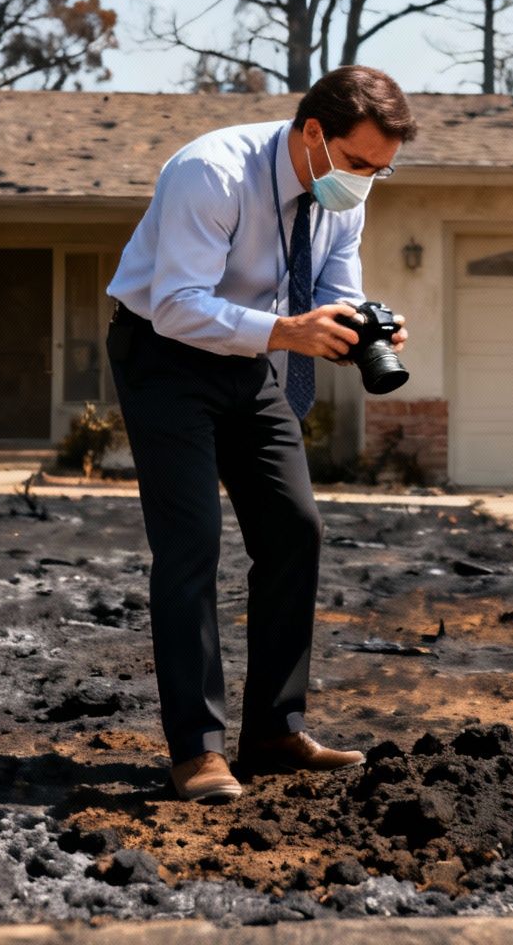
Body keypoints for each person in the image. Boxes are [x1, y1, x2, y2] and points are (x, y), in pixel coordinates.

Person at [106, 65, 414, 803]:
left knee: (294, 529)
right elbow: (177, 304)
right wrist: (284, 330)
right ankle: (197, 750)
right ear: (314, 134)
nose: (368, 181)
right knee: (192, 543)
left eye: (383, 169)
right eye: (360, 162)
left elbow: (335, 287)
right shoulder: (211, 173)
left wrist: (362, 321)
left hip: (252, 357)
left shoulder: (342, 199)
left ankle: (275, 732)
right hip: (165, 353)